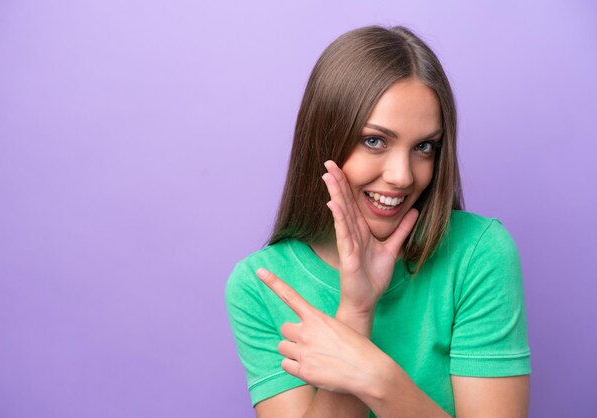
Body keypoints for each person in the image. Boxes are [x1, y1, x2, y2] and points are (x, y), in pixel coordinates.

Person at [226, 25, 531, 418]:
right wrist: (356, 311)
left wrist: (375, 378)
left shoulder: (478, 252)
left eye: (425, 147)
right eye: (375, 141)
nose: (403, 176)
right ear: (325, 136)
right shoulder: (261, 285)